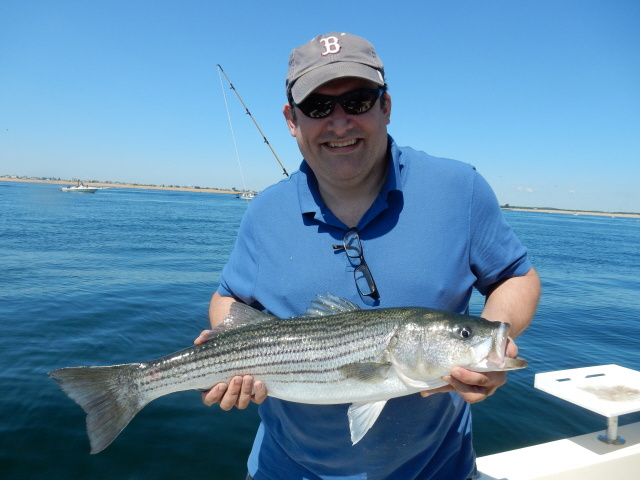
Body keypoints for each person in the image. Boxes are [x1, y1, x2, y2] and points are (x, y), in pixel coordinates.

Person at [195, 32, 540, 480]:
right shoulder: (263, 212)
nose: (339, 123)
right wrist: (227, 348)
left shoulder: (459, 189)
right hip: (285, 468)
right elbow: (230, 299)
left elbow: (516, 276)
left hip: (437, 469)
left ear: (386, 107)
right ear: (291, 120)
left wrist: (496, 339)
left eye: (357, 101)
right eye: (318, 107)